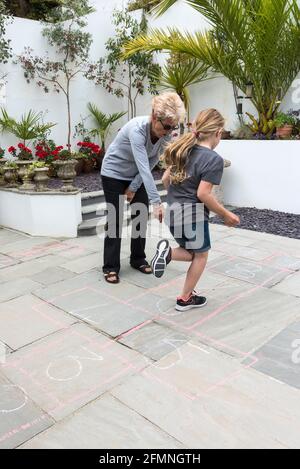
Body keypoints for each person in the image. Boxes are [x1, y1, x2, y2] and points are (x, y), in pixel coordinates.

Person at [151, 108, 240, 311]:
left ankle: (167, 255)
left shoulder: (183, 150)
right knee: (201, 255)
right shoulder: (213, 159)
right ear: (217, 132)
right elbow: (203, 194)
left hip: (173, 212)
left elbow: (165, 179)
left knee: (191, 253)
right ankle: (184, 298)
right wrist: (226, 214)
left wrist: (176, 198)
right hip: (193, 216)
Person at [100, 92, 185, 284]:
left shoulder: (164, 135)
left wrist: (134, 186)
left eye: (174, 126)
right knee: (115, 219)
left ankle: (137, 258)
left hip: (135, 175)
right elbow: (144, 167)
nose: (170, 131)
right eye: (167, 126)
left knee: (140, 215)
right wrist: (157, 202)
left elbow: (152, 161)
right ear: (155, 116)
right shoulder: (137, 130)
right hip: (113, 173)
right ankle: (110, 266)